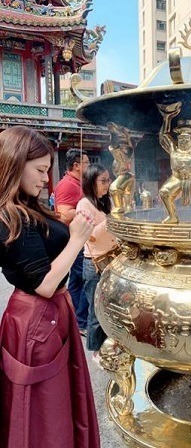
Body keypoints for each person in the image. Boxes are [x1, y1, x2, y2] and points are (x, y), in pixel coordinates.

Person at [0, 126, 100, 447]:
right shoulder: (10, 216)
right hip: (37, 317)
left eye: (47, 170)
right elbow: (43, 283)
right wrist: (78, 239)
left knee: (56, 401)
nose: (46, 179)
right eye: (40, 170)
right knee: (44, 408)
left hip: (49, 314)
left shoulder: (28, 206)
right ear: (15, 164)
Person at [77, 163, 118, 367]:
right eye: (103, 181)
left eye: (108, 180)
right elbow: (90, 236)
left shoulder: (107, 201)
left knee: (110, 307)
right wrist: (111, 219)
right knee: (96, 308)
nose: (107, 184)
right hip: (94, 263)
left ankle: (110, 344)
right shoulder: (84, 205)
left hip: (112, 259)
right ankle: (95, 350)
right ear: (91, 182)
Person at [54, 147, 90, 335]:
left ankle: (77, 319)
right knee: (86, 279)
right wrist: (88, 209)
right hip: (74, 240)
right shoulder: (68, 185)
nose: (89, 166)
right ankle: (82, 321)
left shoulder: (78, 183)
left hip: (78, 239)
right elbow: (63, 214)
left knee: (76, 281)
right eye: (86, 163)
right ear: (76, 165)